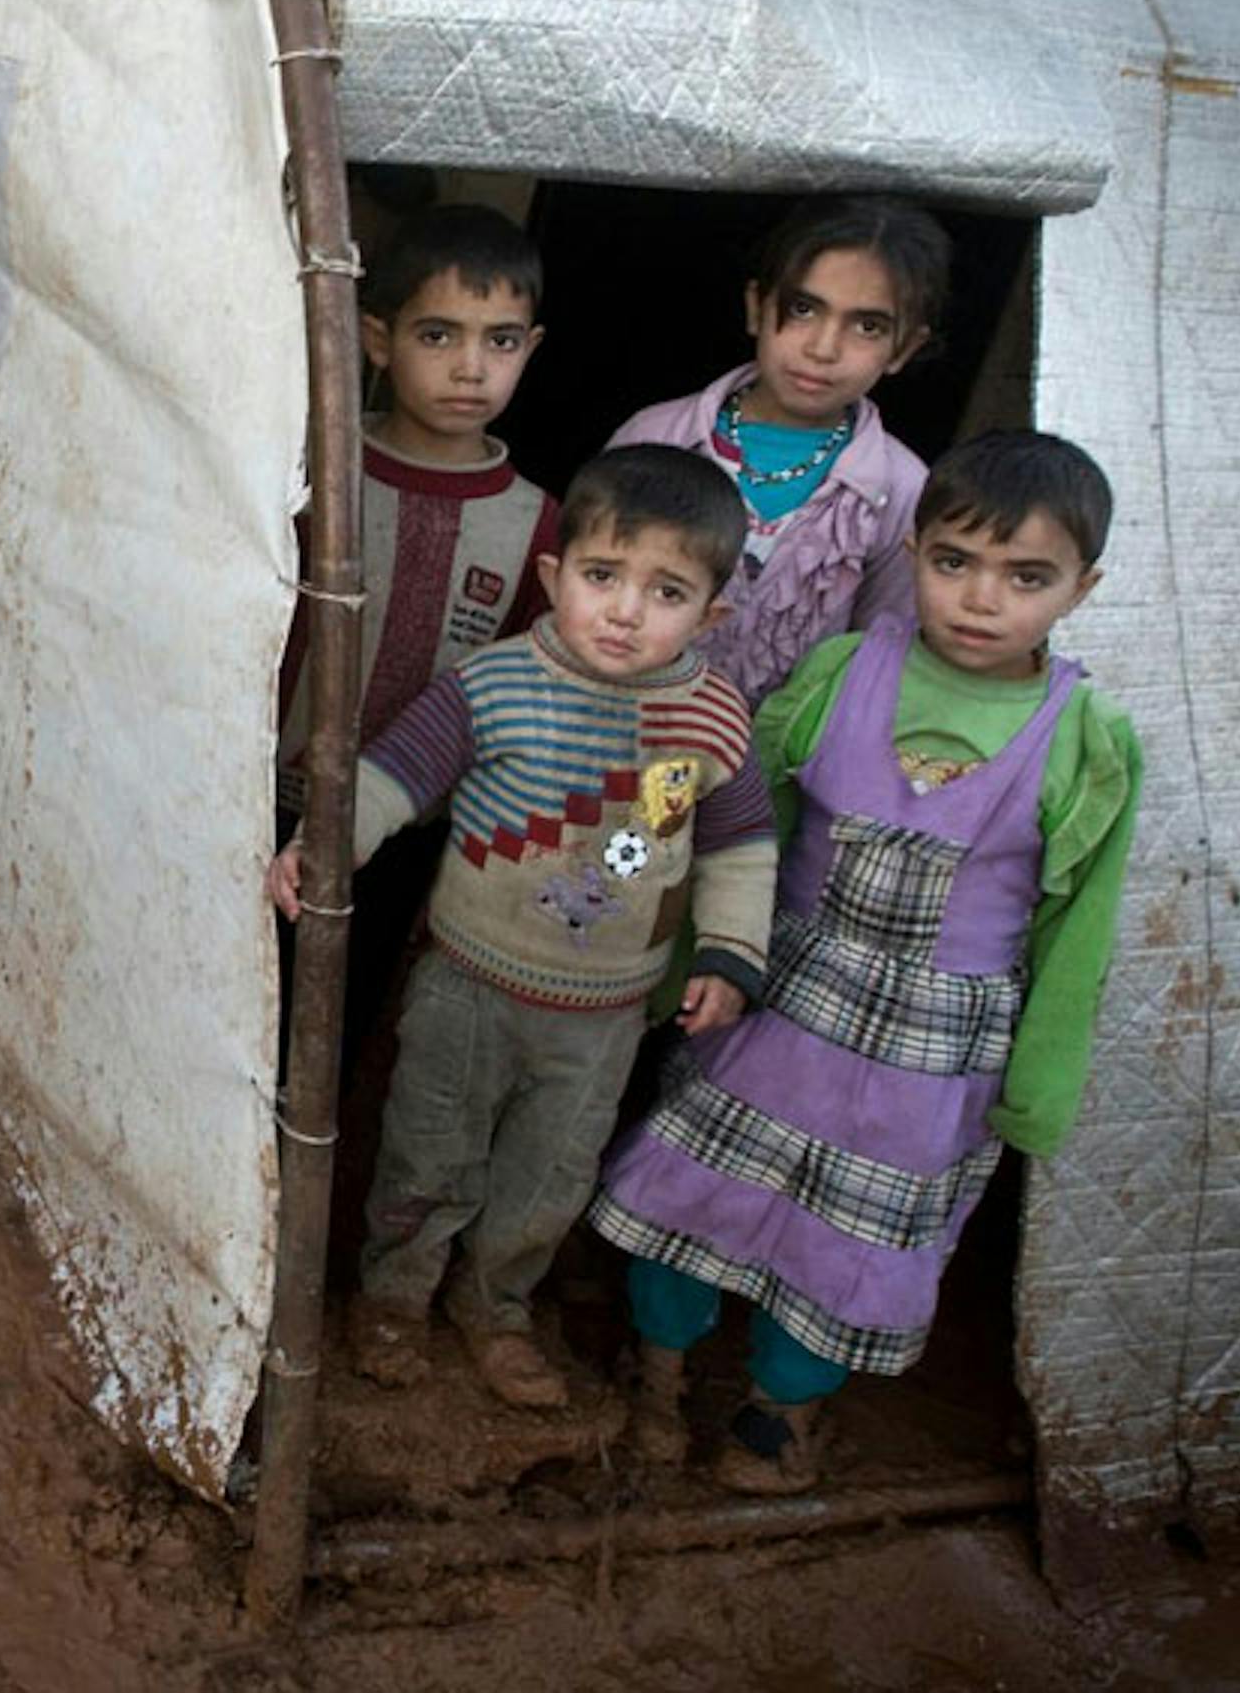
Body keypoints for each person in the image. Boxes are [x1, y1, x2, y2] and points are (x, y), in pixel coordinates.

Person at [589, 432, 1141, 1494]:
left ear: (1083, 586)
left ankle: (776, 1416)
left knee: (850, 1244)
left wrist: (1041, 1084)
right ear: (915, 549)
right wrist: (688, 964)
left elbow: (1083, 926)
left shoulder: (1088, 737)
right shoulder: (846, 672)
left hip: (928, 1063)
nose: (982, 599)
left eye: (1026, 577)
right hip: (778, 1004)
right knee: (692, 1189)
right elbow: (751, 829)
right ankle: (654, 1376)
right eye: (953, 563)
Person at [269, 447, 778, 1408]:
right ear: (554, 575)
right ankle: (393, 1295)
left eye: (665, 590)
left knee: (549, 1175)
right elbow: (394, 773)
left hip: (605, 1015)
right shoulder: (496, 683)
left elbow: (742, 847)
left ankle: (497, 1308)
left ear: (712, 614)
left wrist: (729, 955)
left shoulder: (712, 722)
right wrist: (324, 844)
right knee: (429, 1146)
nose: (625, 610)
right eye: (601, 576)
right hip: (467, 981)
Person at [271, 203, 559, 1045]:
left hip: (406, 835)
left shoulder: (540, 525)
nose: (471, 367)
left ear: (529, 350)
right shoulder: (307, 471)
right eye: (438, 335)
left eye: (500, 341)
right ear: (375, 339)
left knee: (331, 1023)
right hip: (258, 791)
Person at [609, 197, 953, 702]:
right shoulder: (657, 436)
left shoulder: (900, 490)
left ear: (904, 348)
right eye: (803, 309)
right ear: (756, 307)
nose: (823, 348)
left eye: (867, 327)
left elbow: (881, 662)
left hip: (779, 769)